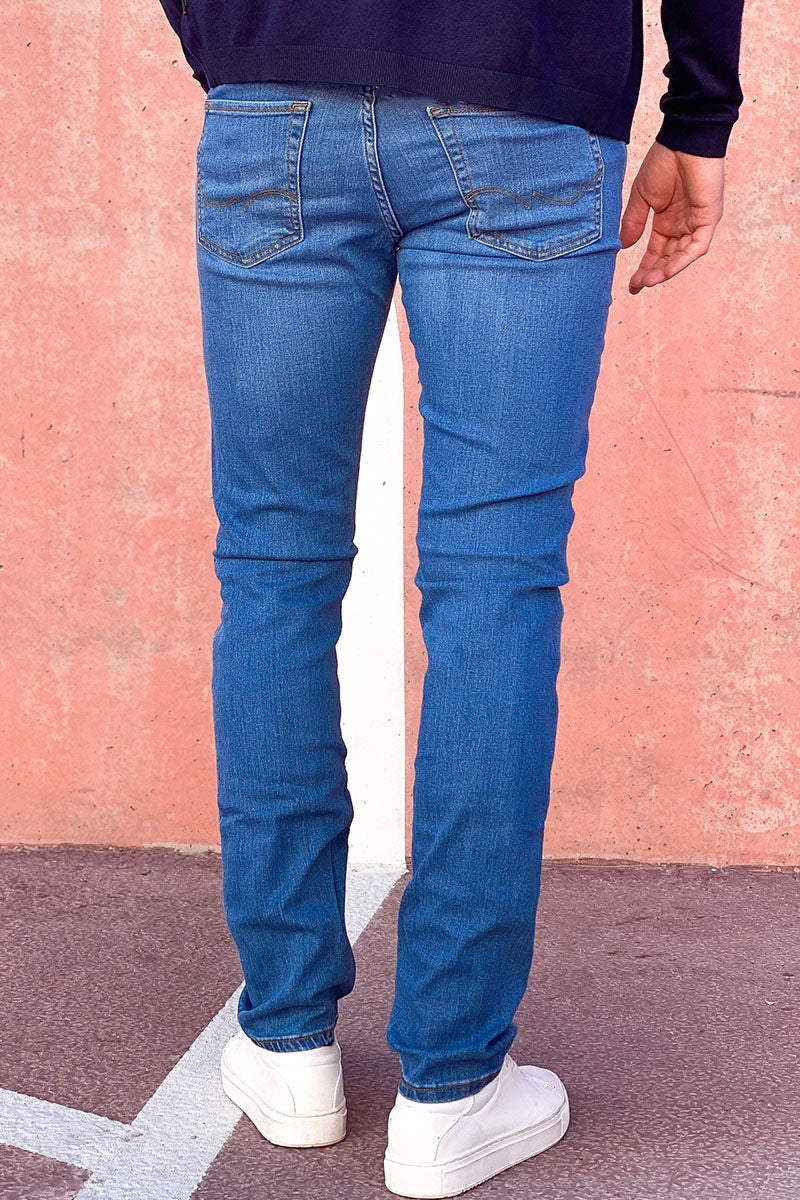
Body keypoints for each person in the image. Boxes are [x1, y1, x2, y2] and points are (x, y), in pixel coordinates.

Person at [157, 2, 745, 1195]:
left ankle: (287, 1042)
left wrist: (241, 41)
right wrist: (699, 109)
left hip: (277, 96)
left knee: (272, 571)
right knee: (496, 584)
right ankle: (452, 1085)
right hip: (527, 94)